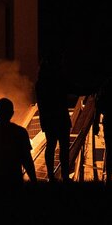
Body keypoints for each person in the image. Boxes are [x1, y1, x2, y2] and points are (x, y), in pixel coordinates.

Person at [35, 53, 72, 182]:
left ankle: (51, 175)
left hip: (50, 119)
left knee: (51, 146)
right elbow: (73, 89)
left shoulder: (41, 83)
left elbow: (41, 103)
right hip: (60, 118)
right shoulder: (60, 80)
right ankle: (65, 176)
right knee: (63, 148)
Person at [93, 76, 112, 184]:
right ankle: (109, 177)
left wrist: (96, 124)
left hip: (108, 121)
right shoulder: (105, 87)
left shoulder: (104, 87)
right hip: (109, 120)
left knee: (109, 149)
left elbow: (98, 107)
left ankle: (109, 177)